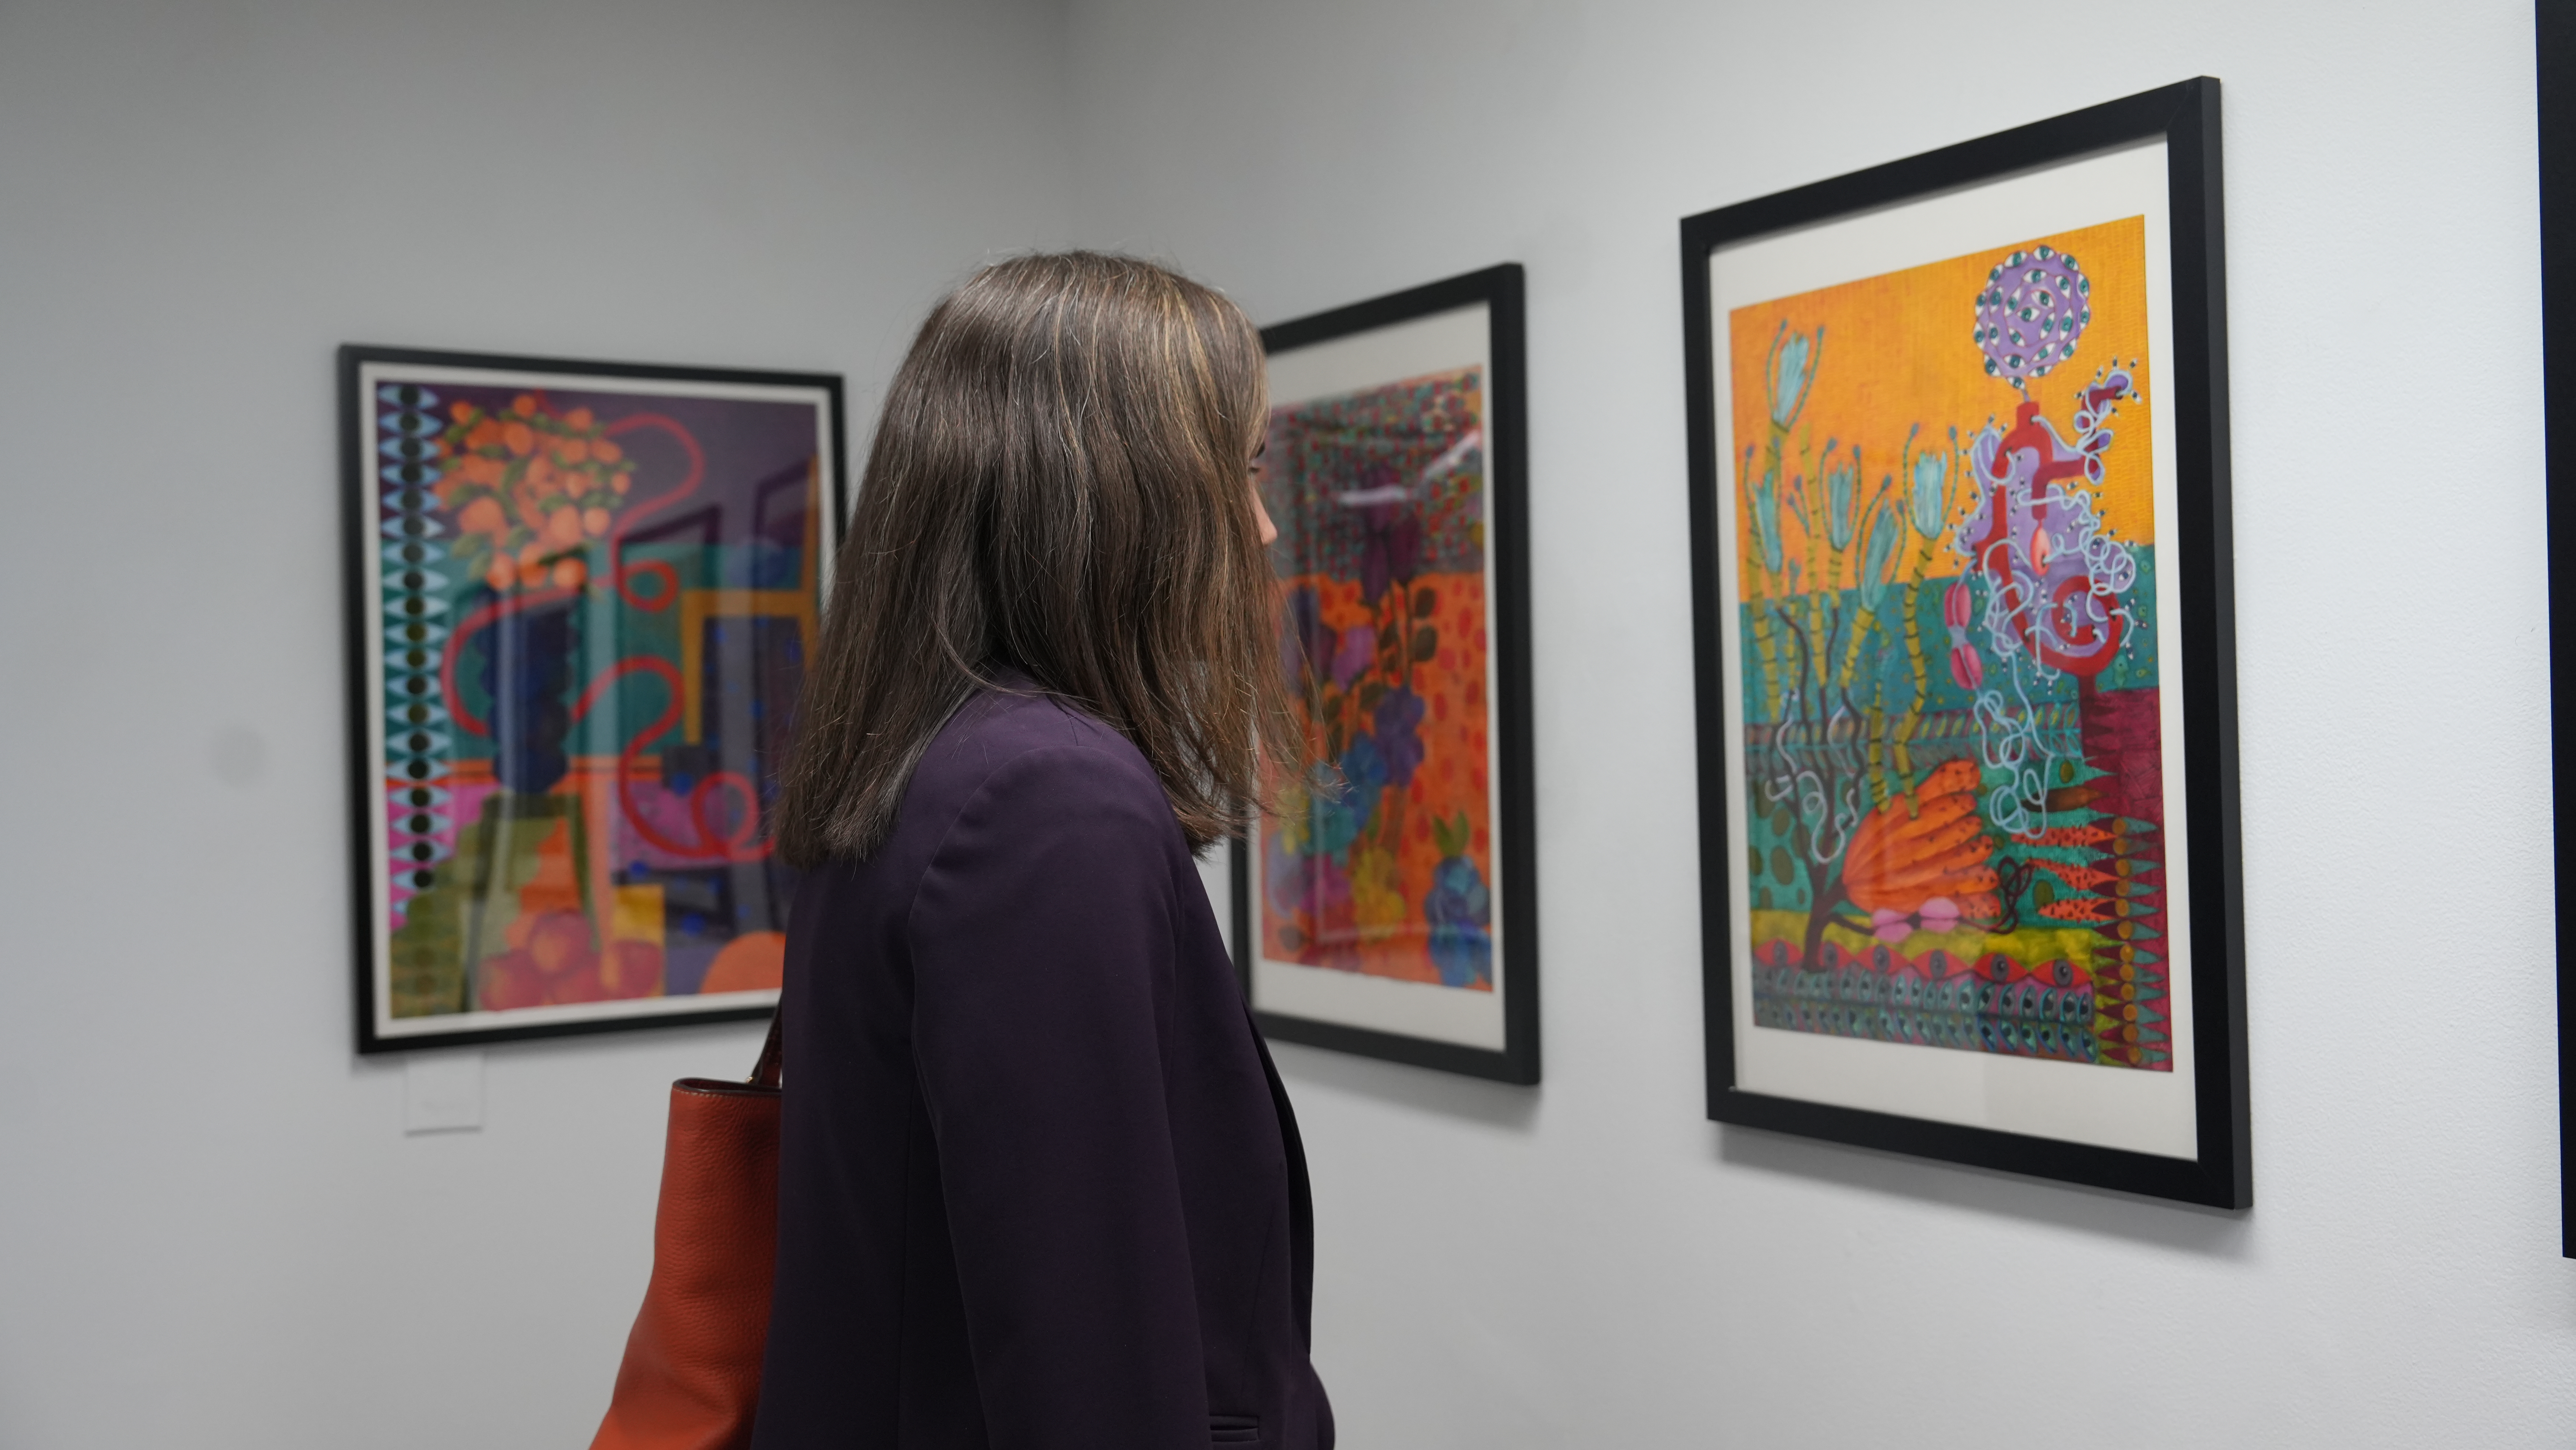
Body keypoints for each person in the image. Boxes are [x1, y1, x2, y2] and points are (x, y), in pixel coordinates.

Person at [753, 252, 1332, 1450]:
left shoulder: (931, 762)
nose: (1263, 522)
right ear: (1123, 495)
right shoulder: (1049, 801)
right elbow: (1090, 1360)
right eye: (1242, 472)